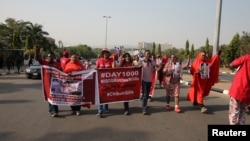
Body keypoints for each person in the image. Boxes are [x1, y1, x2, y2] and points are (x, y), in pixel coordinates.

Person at [186, 49, 221, 113]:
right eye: (203, 55)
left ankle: (195, 103)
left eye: (205, 55)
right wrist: (197, 71)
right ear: (199, 56)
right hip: (197, 81)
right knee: (199, 92)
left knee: (200, 92)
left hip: (204, 81)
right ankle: (201, 105)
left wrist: (218, 53)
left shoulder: (207, 62)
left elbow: (213, 62)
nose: (204, 56)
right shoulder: (196, 62)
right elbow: (191, 70)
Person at [35, 45, 61, 117]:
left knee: (53, 96)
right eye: (49, 56)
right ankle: (51, 109)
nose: (50, 57)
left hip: (55, 83)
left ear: (53, 57)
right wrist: (37, 51)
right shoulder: (45, 63)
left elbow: (62, 72)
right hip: (47, 83)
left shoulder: (57, 64)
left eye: (51, 56)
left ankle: (54, 111)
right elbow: (37, 58)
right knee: (50, 96)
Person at [228, 51, 250, 125]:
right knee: (242, 115)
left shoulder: (246, 58)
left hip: (237, 90)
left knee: (234, 114)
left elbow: (231, 65)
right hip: (247, 94)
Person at [138, 50, 161, 115]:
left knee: (147, 95)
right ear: (144, 55)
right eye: (147, 54)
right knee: (145, 95)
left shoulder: (152, 62)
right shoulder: (142, 62)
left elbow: (157, 68)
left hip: (150, 81)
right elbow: (137, 67)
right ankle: (144, 109)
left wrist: (159, 67)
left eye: (149, 54)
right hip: (144, 81)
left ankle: (144, 105)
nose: (148, 55)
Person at [96, 48, 115, 117]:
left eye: (106, 52)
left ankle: (106, 106)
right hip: (100, 81)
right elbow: (96, 69)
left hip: (108, 81)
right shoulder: (99, 60)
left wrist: (114, 60)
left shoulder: (111, 60)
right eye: (104, 53)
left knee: (107, 95)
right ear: (102, 54)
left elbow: (114, 69)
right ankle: (100, 111)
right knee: (100, 95)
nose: (105, 54)